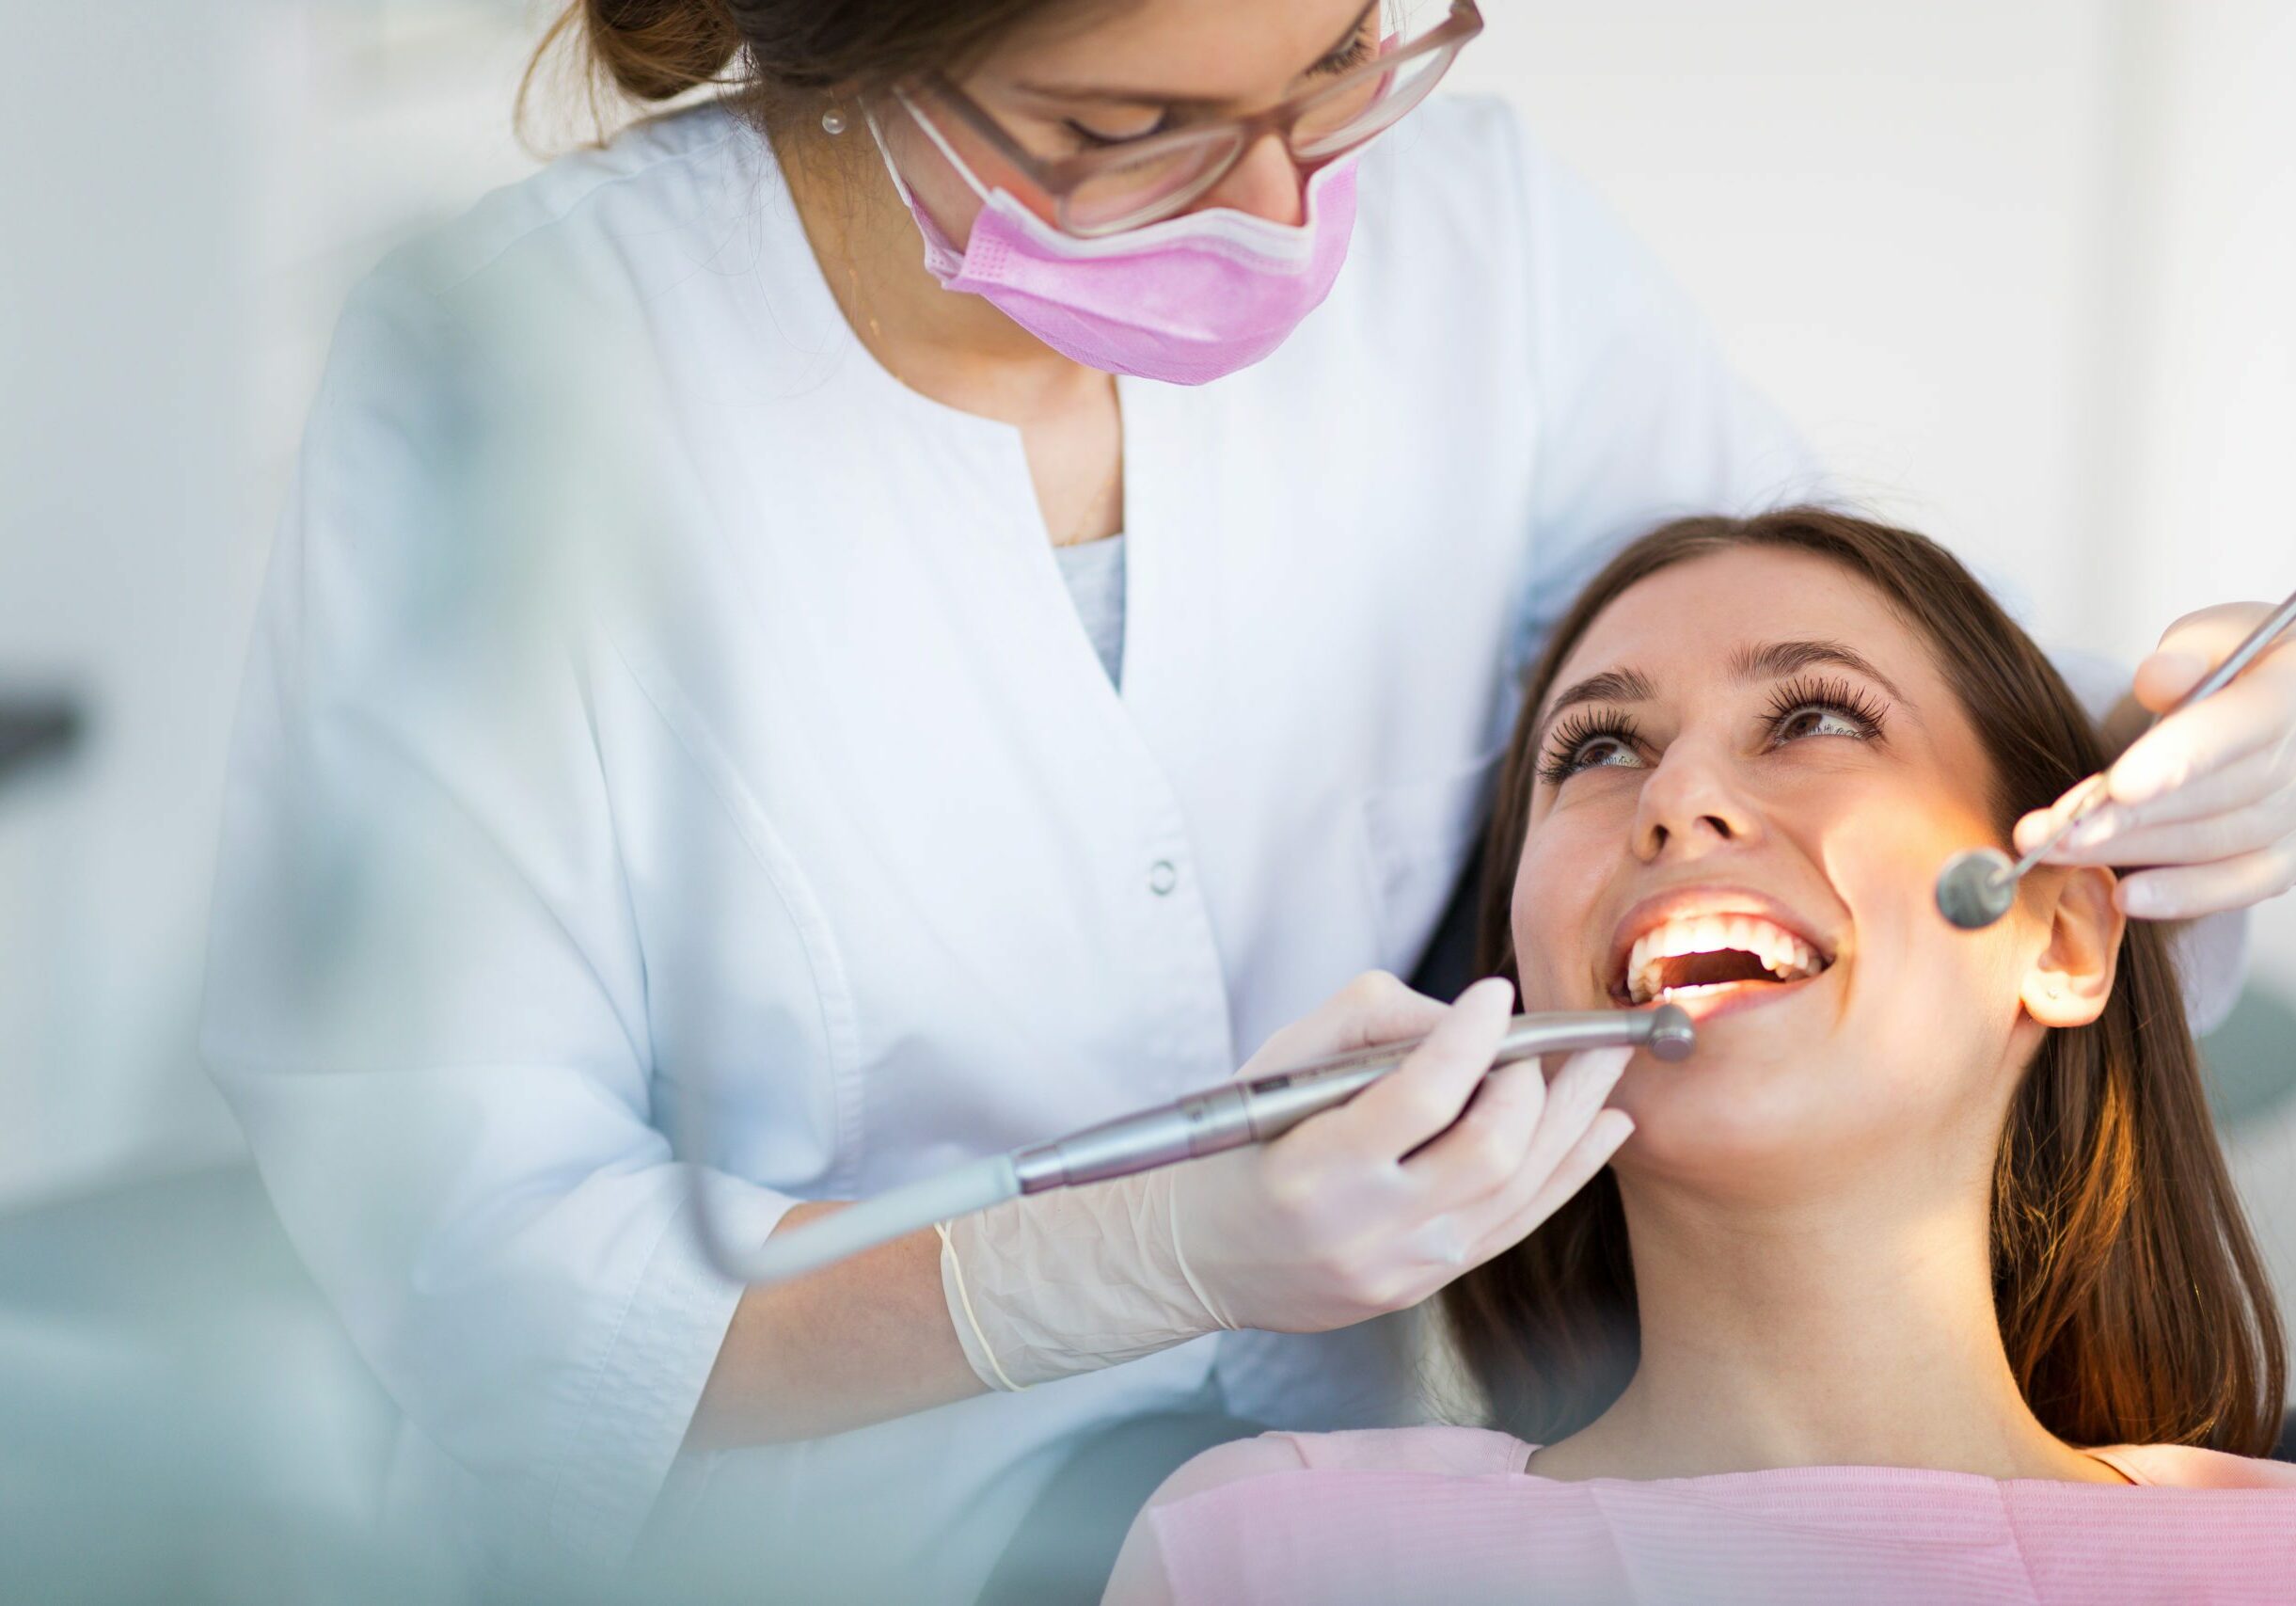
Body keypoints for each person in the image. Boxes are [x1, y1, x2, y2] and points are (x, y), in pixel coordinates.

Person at [198, 0, 2296, 1597]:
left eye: (1337, 67)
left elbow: (1896, 686)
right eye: (1135, 129)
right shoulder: (530, 382)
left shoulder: (1482, 260)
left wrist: (2175, 721)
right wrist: (1110, 1261)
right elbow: (484, 1278)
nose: (1288, 209)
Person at [1105, 508, 2295, 1606]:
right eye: (1595, 751)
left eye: (1814, 719)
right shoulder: (1271, 1554)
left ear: (2062, 935)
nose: (1672, 797)